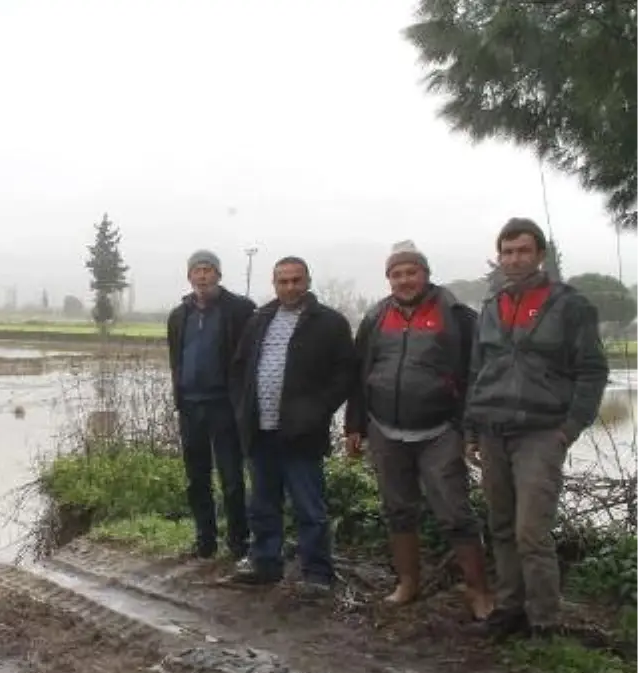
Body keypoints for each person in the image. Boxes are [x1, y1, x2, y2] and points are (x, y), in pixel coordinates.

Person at [465, 218, 609, 639]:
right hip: (492, 430)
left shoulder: (570, 305)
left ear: (540, 255)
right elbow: (478, 370)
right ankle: (510, 609)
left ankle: (545, 621)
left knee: (532, 530)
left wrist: (570, 428)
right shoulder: (490, 307)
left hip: (542, 432)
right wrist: (470, 429)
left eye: (523, 251)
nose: (514, 259)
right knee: (502, 525)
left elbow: (592, 371)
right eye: (507, 252)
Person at [344, 240, 493, 620]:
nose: (405, 279)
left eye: (412, 272)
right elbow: (359, 374)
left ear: (425, 274)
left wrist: (467, 428)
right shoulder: (376, 317)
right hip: (384, 429)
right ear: (388, 279)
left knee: (455, 512)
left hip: (440, 431)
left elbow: (475, 375)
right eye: (397, 274)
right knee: (397, 509)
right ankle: (408, 583)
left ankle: (478, 591)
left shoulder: (457, 315)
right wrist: (355, 424)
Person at [229, 256, 356, 590]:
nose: (290, 287)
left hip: (302, 433)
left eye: (296, 280)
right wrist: (243, 409)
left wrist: (318, 411)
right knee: (262, 504)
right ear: (274, 284)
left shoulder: (329, 323)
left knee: (309, 508)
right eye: (283, 281)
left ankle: (316, 573)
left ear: (308, 281)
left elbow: (345, 375)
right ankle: (265, 563)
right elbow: (240, 367)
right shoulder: (259, 320)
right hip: (260, 431)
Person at [166, 249, 257, 559]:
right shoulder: (180, 315)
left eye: (208, 270)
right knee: (196, 478)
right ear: (189, 276)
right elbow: (175, 359)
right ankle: (205, 539)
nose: (202, 275)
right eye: (197, 270)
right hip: (191, 406)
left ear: (218, 274)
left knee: (231, 478)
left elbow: (250, 358)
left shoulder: (240, 310)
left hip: (225, 406)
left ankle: (238, 541)